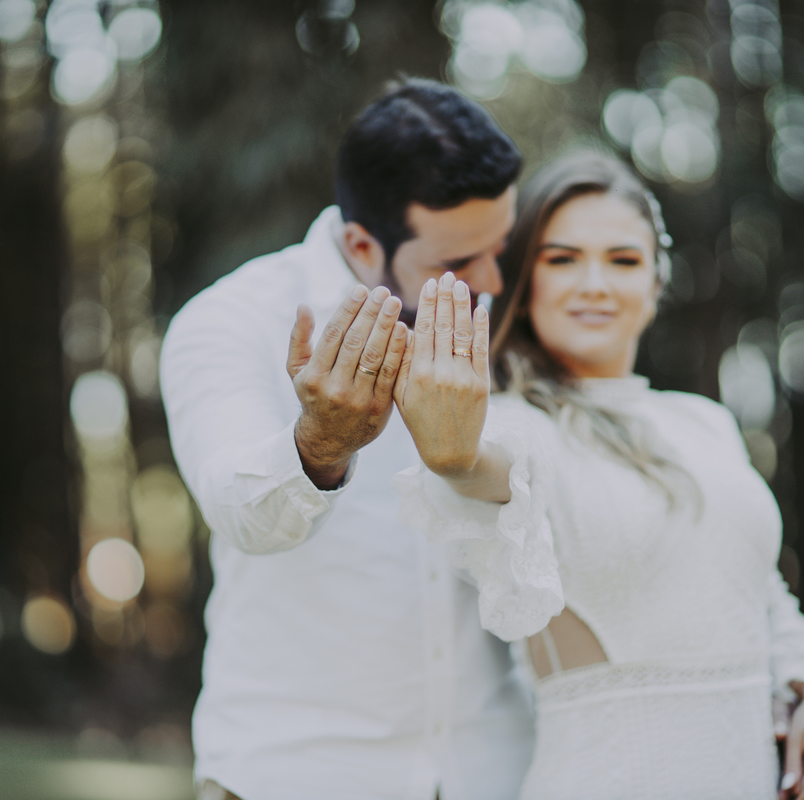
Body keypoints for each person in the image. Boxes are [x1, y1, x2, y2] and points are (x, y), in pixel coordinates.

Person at [392, 149, 804, 800]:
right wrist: (453, 453)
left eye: (623, 260)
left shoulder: (704, 423)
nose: (595, 283)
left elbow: (762, 596)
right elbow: (482, 466)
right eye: (562, 260)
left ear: (656, 284)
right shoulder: (516, 425)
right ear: (525, 283)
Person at [160, 78, 530, 800]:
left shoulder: (510, 318)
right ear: (362, 243)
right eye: (458, 265)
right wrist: (319, 447)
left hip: (491, 771)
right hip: (296, 773)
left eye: (502, 247)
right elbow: (238, 511)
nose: (491, 280)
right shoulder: (229, 320)